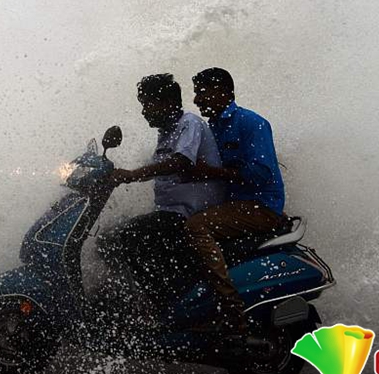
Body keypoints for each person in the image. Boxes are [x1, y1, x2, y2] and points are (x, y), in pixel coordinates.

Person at [98, 73, 226, 318]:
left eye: (148, 104)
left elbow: (180, 162)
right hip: (171, 212)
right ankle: (133, 298)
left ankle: (163, 307)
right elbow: (158, 167)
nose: (144, 112)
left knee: (126, 236)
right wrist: (116, 177)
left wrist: (132, 175)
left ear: (167, 103)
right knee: (107, 238)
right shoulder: (166, 132)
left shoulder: (189, 124)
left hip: (190, 213)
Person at [180, 67, 287, 334]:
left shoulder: (251, 123)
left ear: (223, 92)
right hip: (232, 206)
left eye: (202, 92)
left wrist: (210, 172)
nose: (196, 100)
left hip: (260, 206)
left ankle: (231, 310)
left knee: (196, 226)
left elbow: (261, 173)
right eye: (196, 93)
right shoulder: (210, 128)